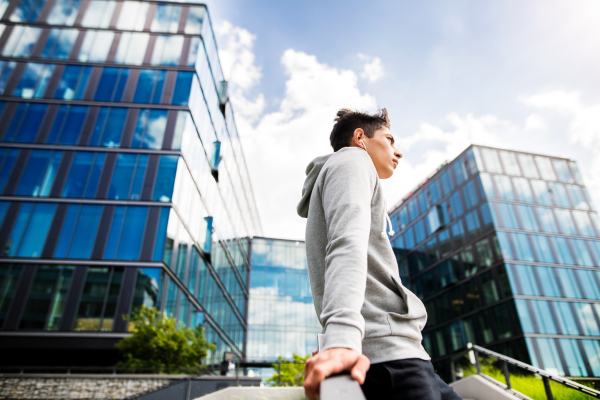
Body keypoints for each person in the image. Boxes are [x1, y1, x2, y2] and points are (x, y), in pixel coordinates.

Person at [297, 109, 461, 400]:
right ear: (360, 137)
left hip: (394, 351)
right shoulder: (352, 160)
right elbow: (346, 245)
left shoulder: (339, 175)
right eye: (389, 139)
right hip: (385, 358)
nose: (398, 152)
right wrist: (341, 339)